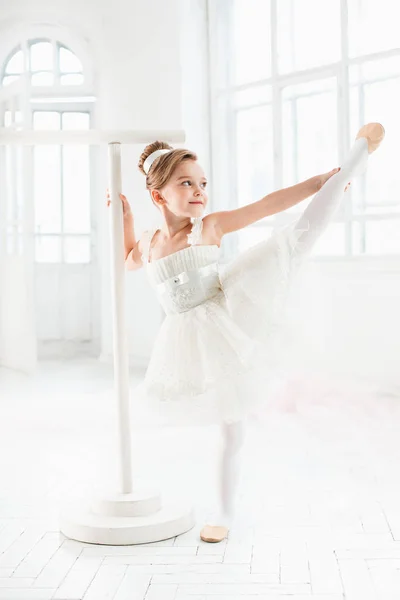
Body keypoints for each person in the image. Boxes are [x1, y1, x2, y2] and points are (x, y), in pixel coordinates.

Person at [106, 122, 385, 543]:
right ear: (158, 195)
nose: (199, 190)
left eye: (203, 182)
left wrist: (318, 182)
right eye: (187, 183)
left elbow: (265, 206)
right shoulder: (148, 243)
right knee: (224, 423)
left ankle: (348, 168)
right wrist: (124, 219)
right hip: (186, 339)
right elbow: (126, 258)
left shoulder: (210, 227)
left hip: (227, 316)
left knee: (293, 243)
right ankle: (223, 505)